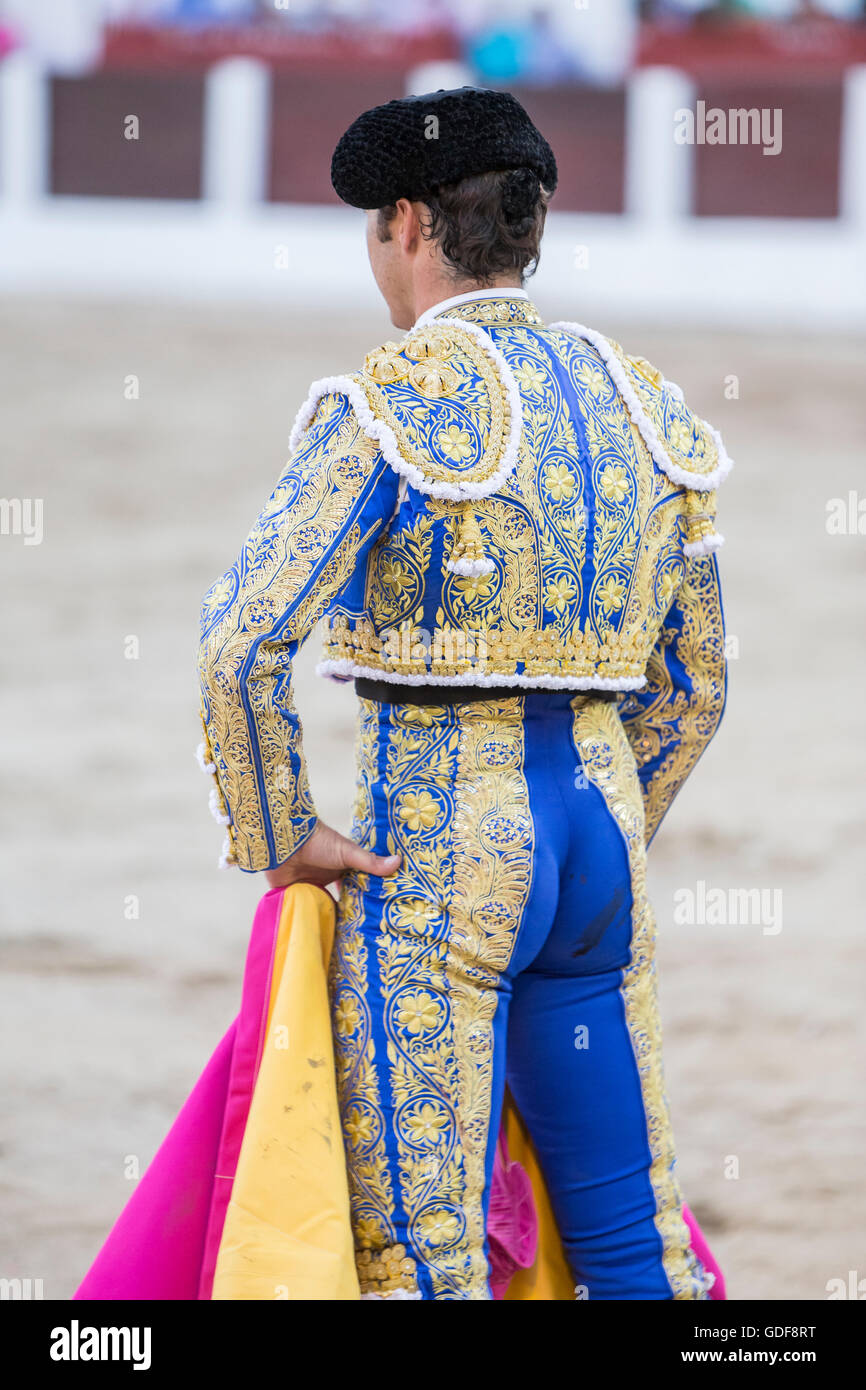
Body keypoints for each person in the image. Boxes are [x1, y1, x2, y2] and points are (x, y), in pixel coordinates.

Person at [197, 85, 731, 1300]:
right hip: (597, 837)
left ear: (407, 223)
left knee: (423, 1250)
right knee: (628, 1231)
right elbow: (695, 686)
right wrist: (603, 826)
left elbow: (237, 644)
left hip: (437, 847)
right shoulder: (642, 404)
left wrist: (283, 835)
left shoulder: (388, 403)